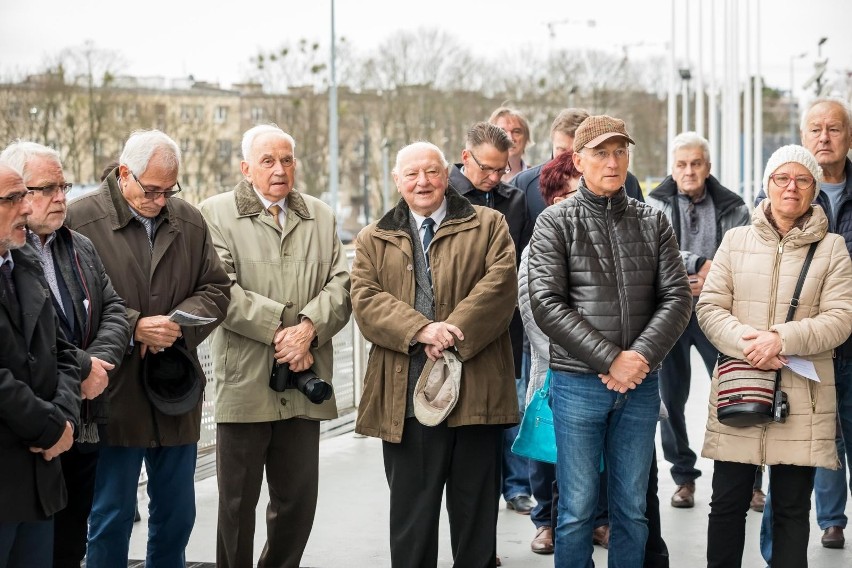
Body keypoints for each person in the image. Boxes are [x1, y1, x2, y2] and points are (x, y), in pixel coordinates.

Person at [527, 115, 692, 567]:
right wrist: (609, 359)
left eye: (620, 151)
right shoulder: (554, 223)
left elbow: (677, 297)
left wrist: (638, 357)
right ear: (578, 161)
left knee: (632, 509)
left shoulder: (653, 221)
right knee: (577, 510)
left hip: (639, 383)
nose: (613, 161)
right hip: (578, 384)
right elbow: (546, 303)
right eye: (601, 152)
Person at [65, 130, 231, 566]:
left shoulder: (189, 221)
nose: (161, 201)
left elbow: (216, 290)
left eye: (169, 190)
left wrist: (175, 326)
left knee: (177, 514)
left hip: (175, 389)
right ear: (125, 174)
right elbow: (66, 308)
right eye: (152, 190)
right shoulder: (78, 220)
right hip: (111, 394)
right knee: (109, 515)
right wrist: (136, 326)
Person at [351, 141, 519, 567]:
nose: (422, 182)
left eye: (431, 172)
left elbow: (500, 287)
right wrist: (420, 329)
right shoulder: (373, 238)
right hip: (406, 400)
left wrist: (449, 333)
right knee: (412, 518)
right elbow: (366, 301)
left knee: (476, 520)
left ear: (448, 174)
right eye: (411, 174)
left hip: (478, 395)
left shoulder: (490, 224)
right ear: (397, 180)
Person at [198, 124, 352, 568]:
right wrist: (285, 331)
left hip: (305, 380)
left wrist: (309, 329)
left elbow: (343, 284)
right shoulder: (216, 213)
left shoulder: (320, 215)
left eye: (287, 159)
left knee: (298, 502)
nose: (280, 169)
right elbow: (218, 287)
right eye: (268, 160)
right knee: (235, 505)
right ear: (246, 168)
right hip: (246, 381)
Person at [698, 144, 852, 568]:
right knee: (726, 503)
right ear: (766, 186)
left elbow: (841, 319)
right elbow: (710, 307)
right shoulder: (736, 240)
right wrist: (751, 342)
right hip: (740, 385)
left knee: (789, 508)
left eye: (802, 180)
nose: (791, 187)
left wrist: (780, 339)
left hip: (803, 395)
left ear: (814, 190)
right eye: (782, 178)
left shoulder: (833, 248)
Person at [0, 141, 131, 568]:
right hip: (31, 438)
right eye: (45, 189)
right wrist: (79, 375)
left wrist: (96, 365)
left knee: (70, 543)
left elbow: (113, 309)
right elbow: (31, 351)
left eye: (63, 185)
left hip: (78, 423)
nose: (61, 198)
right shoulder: (18, 260)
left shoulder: (78, 247)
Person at [646, 132, 751, 509]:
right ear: (672, 169)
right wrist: (696, 264)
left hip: (718, 313)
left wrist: (711, 275)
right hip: (670, 312)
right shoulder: (654, 202)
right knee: (669, 399)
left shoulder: (733, 205)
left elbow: (741, 252)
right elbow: (656, 248)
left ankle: (748, 477)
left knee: (736, 392)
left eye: (696, 163)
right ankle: (683, 475)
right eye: (681, 164)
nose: (688, 171)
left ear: (708, 167)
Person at [450, 121, 533, 515]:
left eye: (502, 169)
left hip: (505, 328)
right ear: (466, 157)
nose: (494, 177)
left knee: (505, 415)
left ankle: (513, 489)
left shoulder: (513, 200)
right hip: (450, 330)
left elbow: (520, 265)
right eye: (486, 168)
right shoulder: (440, 195)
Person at [0, 164, 80, 568]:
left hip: (39, 483)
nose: (25, 209)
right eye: (14, 199)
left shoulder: (25, 263)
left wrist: (65, 420)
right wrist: (51, 428)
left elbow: (62, 350)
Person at [517, 150, 579, 555]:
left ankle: (593, 523)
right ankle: (546, 523)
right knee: (548, 453)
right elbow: (535, 313)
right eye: (579, 191)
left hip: (601, 371)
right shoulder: (538, 246)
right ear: (557, 200)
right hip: (554, 367)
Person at [512, 107, 645, 220]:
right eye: (562, 150)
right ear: (552, 144)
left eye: (575, 151)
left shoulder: (625, 181)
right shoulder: (524, 184)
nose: (569, 159)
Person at [489, 106, 532, 183]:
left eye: (516, 132)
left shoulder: (537, 179)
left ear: (526, 138)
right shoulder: (482, 179)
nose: (510, 138)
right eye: (502, 132)